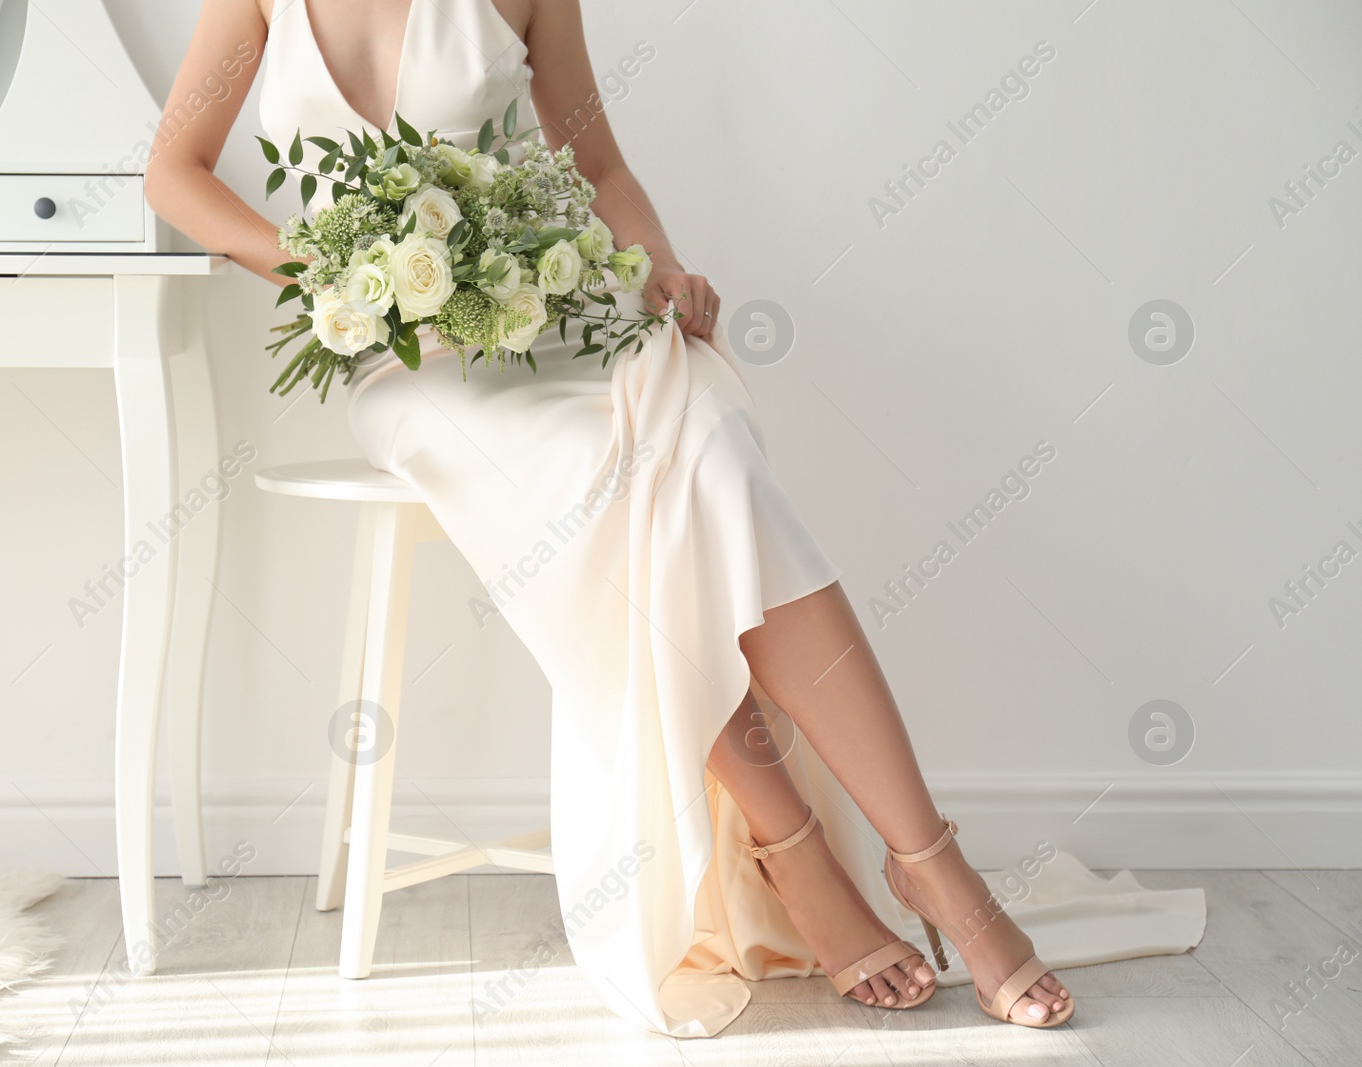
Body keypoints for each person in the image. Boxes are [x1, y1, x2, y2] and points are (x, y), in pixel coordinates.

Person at [145, 0, 1104, 1037]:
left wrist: (656, 265)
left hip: (549, 314)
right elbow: (174, 170)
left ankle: (936, 870)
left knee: (713, 456)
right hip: (410, 367)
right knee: (613, 493)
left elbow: (598, 170)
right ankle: (799, 857)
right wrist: (331, 278)